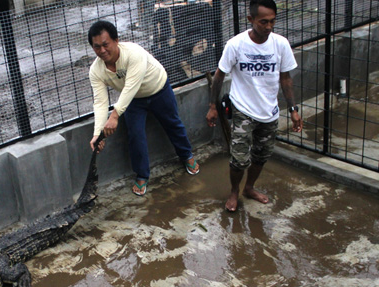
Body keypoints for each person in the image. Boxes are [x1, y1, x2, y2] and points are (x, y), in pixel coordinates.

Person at [206, 0, 302, 212]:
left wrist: (294, 110)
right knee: (239, 159)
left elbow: (285, 79)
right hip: (243, 110)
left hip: (269, 112)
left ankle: (249, 188)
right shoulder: (236, 44)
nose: (268, 27)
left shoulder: (280, 44)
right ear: (250, 20)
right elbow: (219, 75)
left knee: (261, 155)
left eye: (272, 22)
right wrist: (213, 106)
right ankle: (234, 191)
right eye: (263, 22)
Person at [88, 20, 199, 196]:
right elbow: (100, 102)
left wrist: (115, 116)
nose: (102, 50)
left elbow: (132, 84)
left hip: (158, 88)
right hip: (133, 100)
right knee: (135, 135)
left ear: (116, 40)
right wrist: (97, 134)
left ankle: (187, 155)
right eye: (96, 47)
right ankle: (142, 175)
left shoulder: (133, 53)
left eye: (105, 44)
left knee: (173, 124)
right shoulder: (96, 70)